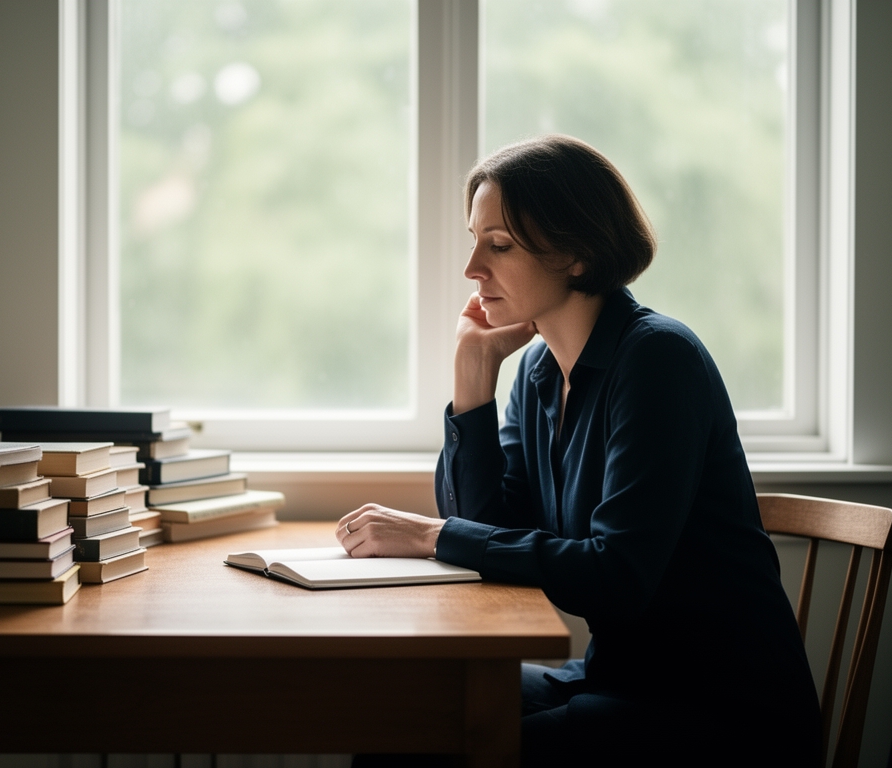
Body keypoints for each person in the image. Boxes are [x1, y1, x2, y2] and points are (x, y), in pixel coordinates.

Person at [336, 135, 821, 767]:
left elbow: (616, 576)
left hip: (715, 714)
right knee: (398, 717)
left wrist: (431, 536)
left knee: (425, 750)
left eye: (499, 245)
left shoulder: (657, 359)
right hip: (613, 681)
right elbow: (490, 529)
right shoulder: (539, 371)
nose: (472, 267)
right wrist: (473, 373)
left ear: (577, 254)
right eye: (476, 239)